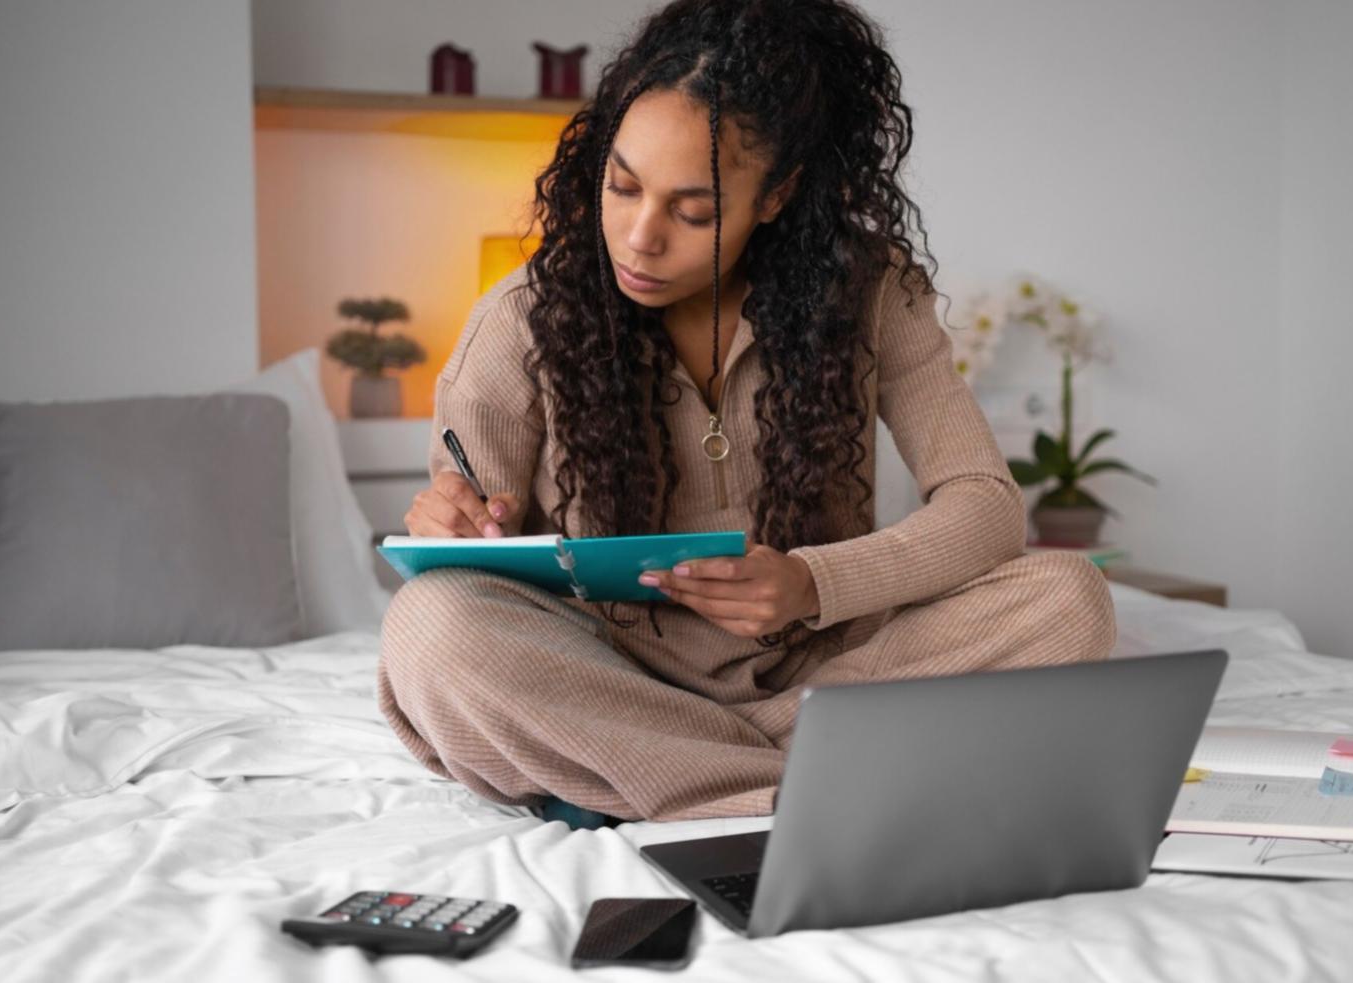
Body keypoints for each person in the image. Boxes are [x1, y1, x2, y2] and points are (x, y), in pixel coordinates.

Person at [377, 0, 1116, 826]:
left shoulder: (872, 294)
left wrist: (811, 582)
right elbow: (469, 547)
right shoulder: (520, 318)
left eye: (694, 212)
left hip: (818, 676)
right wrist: (448, 520)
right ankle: (795, 781)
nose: (638, 237)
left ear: (778, 195)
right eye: (621, 187)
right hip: (610, 677)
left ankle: (650, 777)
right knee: (430, 630)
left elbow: (985, 505)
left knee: (1069, 598)